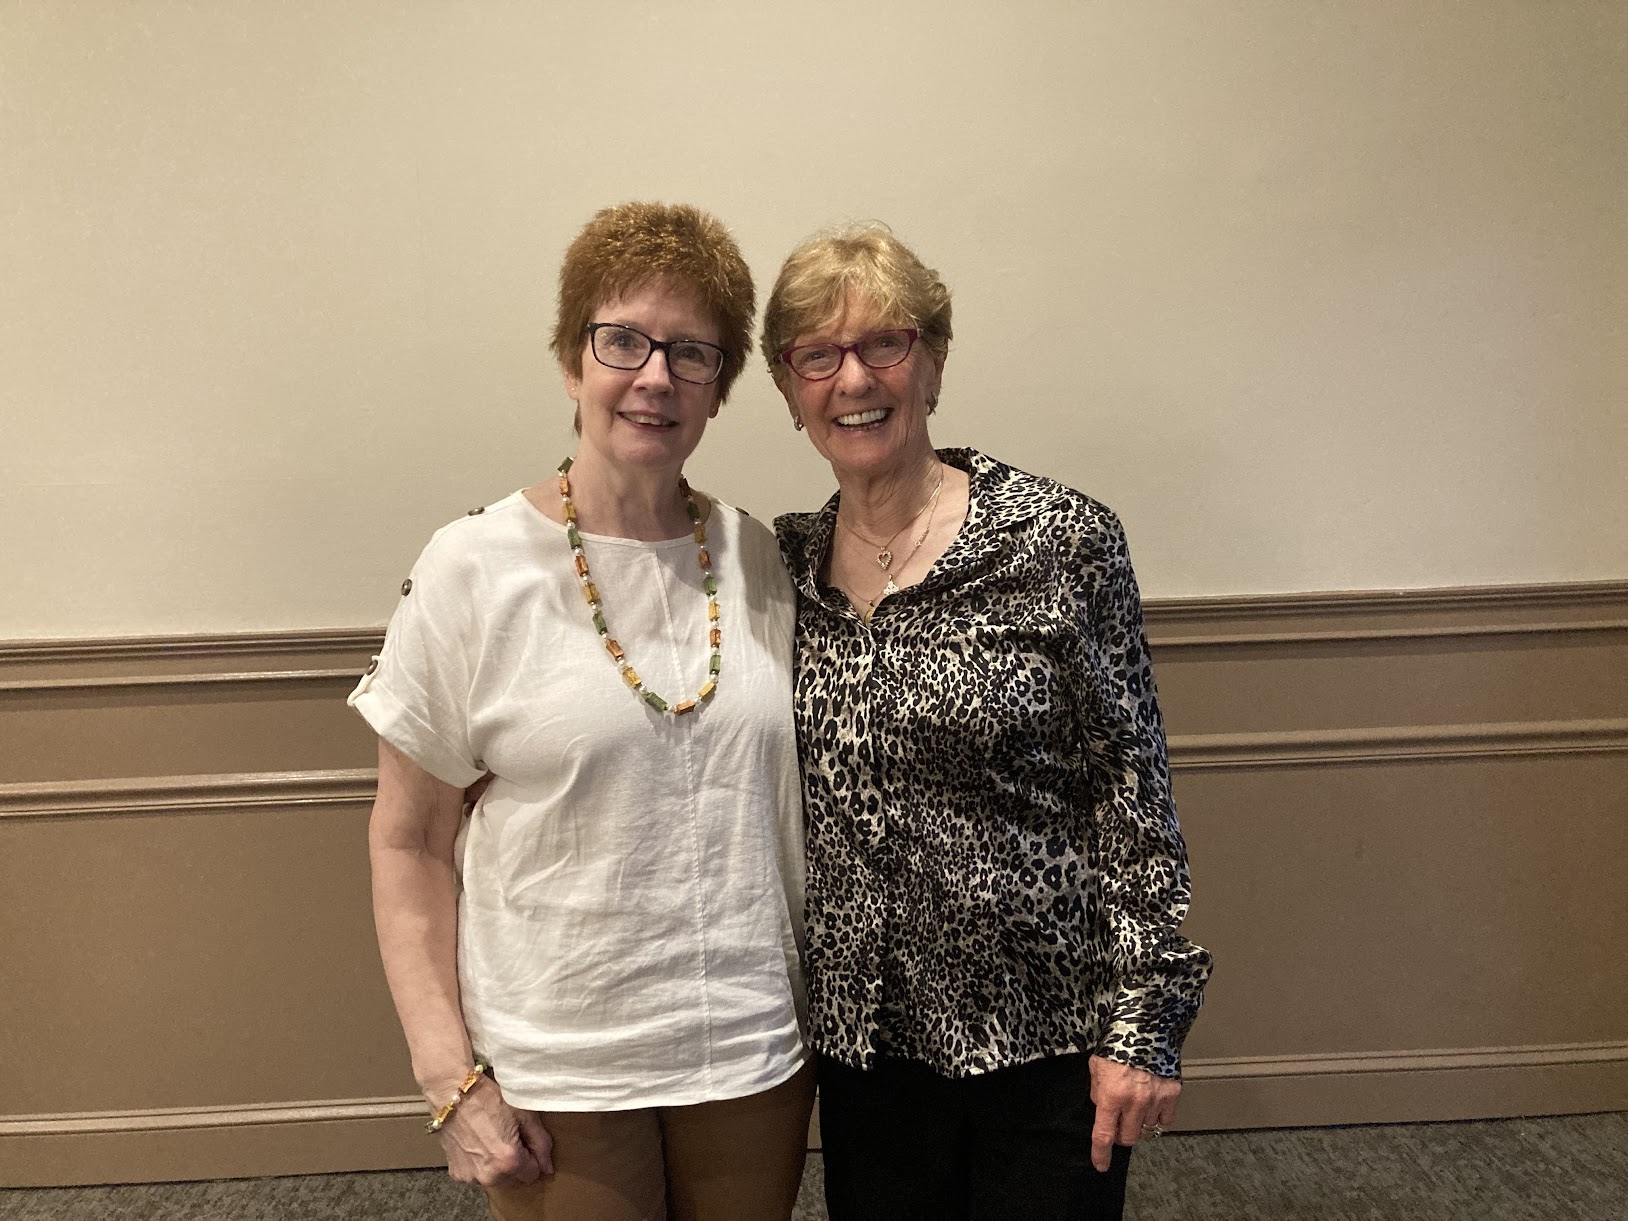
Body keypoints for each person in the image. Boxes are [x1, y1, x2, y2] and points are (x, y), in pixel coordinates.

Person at [350, 202, 813, 1221]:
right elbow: (409, 840)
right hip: (560, 1061)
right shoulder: (471, 566)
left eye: (692, 353)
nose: (654, 376)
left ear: (720, 388)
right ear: (571, 360)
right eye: (622, 341)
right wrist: (447, 1077)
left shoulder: (759, 558)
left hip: (746, 1049)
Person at [761, 223, 1212, 1220]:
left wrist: (1142, 1025)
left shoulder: (1058, 541)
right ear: (789, 391)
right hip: (865, 1047)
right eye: (816, 357)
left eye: (886, 343)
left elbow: (1129, 791)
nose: (852, 378)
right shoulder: (780, 570)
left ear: (931, 364)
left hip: (1042, 1040)